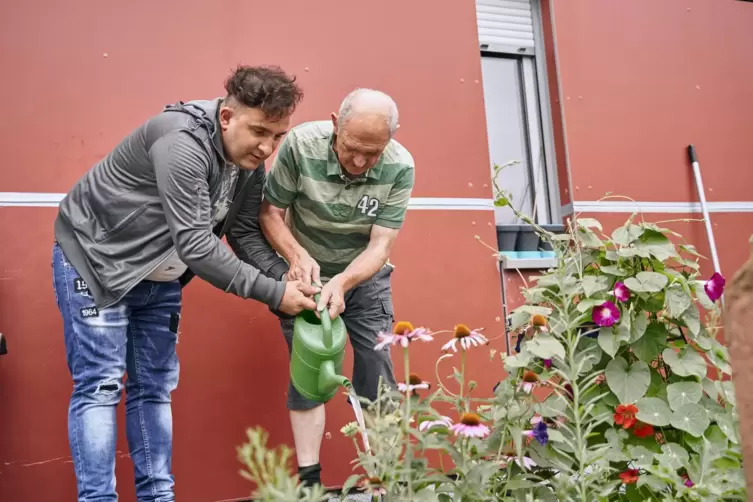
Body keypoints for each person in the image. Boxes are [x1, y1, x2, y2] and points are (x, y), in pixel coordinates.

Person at [51, 65, 318, 502]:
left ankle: (158, 497)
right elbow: (196, 243)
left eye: (278, 135)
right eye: (260, 132)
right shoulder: (181, 141)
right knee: (100, 384)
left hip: (159, 274)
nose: (267, 146)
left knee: (154, 389)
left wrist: (289, 281)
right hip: (97, 262)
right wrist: (275, 294)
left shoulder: (249, 162)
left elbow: (245, 233)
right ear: (227, 117)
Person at [259, 88, 415, 487]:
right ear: (335, 124)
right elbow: (271, 211)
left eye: (373, 152)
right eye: (352, 148)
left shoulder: (400, 166)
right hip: (305, 279)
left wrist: (344, 281)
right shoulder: (299, 146)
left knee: (377, 372)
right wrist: (296, 257)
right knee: (307, 369)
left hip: (364, 278)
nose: (361, 161)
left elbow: (381, 244)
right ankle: (310, 482)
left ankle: (384, 480)